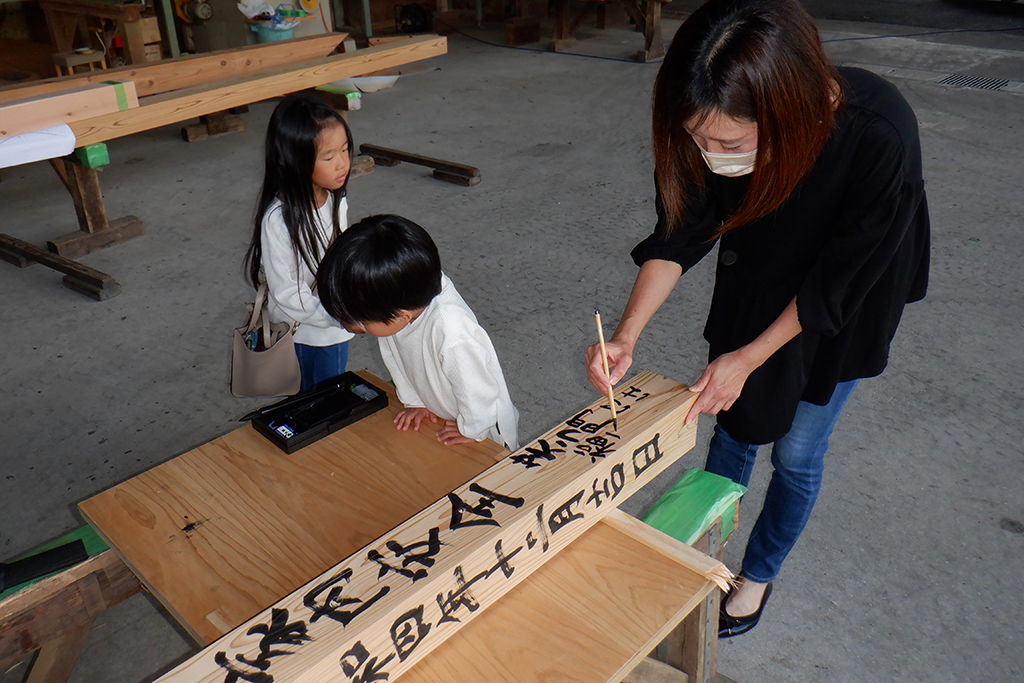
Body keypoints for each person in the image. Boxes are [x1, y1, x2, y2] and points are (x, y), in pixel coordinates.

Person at [585, 0, 929, 638]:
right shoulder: (713, 121)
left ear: (790, 111)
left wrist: (747, 358)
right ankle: (697, 555)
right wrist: (628, 333)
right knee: (737, 425)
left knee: (797, 450)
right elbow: (682, 228)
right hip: (763, 272)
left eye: (730, 144)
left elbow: (839, 280)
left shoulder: (879, 132)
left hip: (846, 303)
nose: (710, 155)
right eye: (696, 137)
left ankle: (759, 572)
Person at [317, 214, 520, 451]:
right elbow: (397, 358)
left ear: (400, 316)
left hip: (485, 429)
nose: (355, 326)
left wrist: (473, 429)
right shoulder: (400, 294)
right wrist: (415, 401)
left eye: (361, 319)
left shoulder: (452, 332)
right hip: (441, 407)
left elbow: (479, 391)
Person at [244, 93, 355, 393]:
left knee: (330, 393)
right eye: (329, 157)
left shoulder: (334, 198)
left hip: (334, 327)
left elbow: (341, 256)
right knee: (318, 401)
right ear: (295, 160)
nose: (342, 163)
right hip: (305, 333)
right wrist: (339, 317)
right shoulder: (278, 220)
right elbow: (287, 294)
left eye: (344, 150)